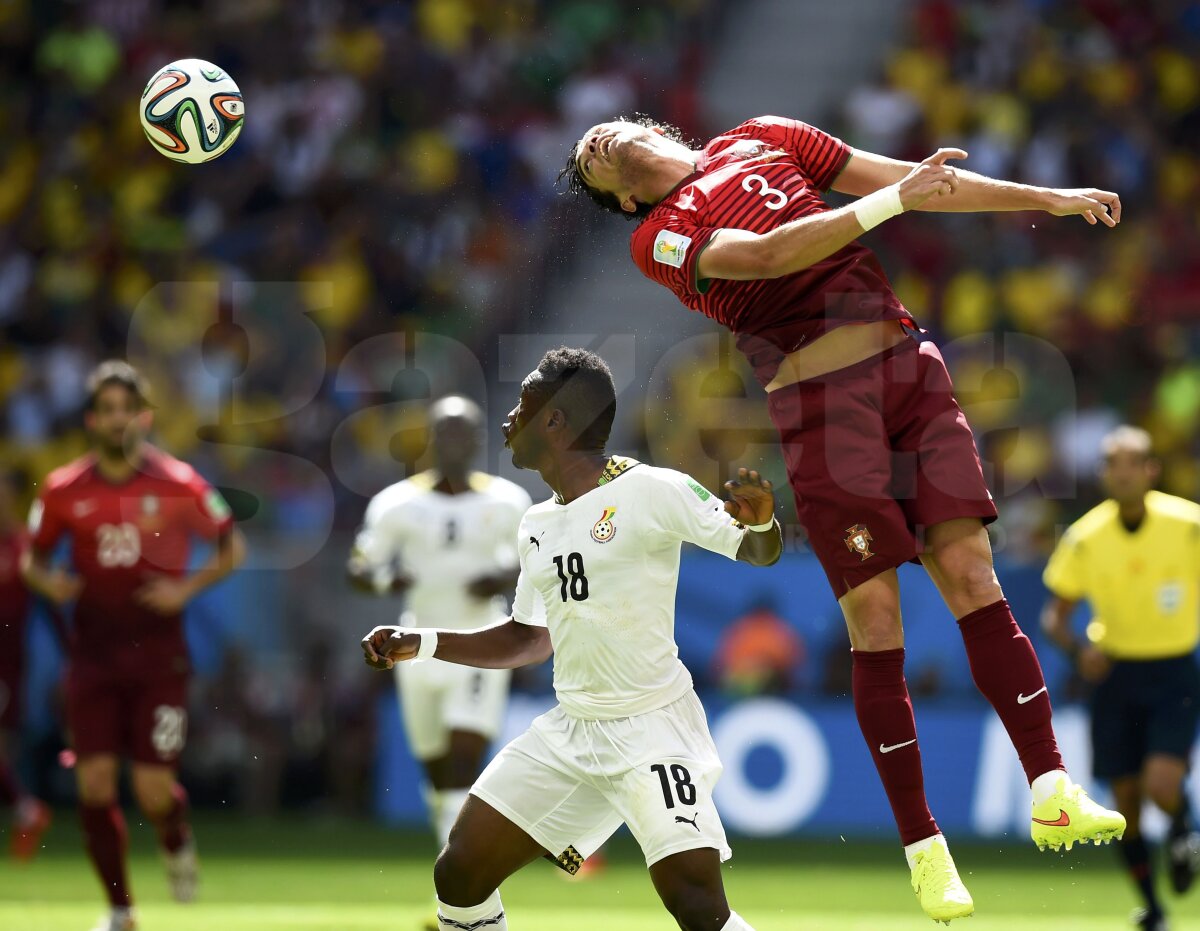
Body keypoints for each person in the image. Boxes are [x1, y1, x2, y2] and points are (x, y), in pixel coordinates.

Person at [561, 114, 1125, 921]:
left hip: (909, 368)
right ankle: (925, 849)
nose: (597, 142)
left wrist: (1049, 196)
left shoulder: (765, 133)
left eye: (602, 132)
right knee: (875, 617)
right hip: (821, 404)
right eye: (588, 161)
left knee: (972, 572)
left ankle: (1051, 787)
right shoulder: (657, 236)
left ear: (644, 126)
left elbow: (924, 181)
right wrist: (895, 199)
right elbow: (764, 256)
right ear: (616, 198)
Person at [361, 347, 782, 931]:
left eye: (523, 404)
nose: (509, 418)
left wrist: (761, 522)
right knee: (458, 873)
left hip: (651, 729)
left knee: (696, 903)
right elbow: (528, 638)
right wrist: (423, 641)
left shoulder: (652, 489)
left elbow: (755, 550)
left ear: (555, 422)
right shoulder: (536, 523)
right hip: (572, 730)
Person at [20, 361, 246, 931]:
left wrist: (186, 587)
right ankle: (121, 910)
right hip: (92, 656)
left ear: (143, 417)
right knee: (93, 782)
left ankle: (175, 837)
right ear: (93, 419)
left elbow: (231, 546)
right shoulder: (63, 487)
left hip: (159, 658)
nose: (118, 421)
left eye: (128, 410)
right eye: (107, 411)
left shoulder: (179, 483)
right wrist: (51, 583)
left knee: (150, 790)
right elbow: (32, 558)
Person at [347, 397, 531, 863]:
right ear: (430, 439)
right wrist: (389, 579)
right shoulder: (397, 504)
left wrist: (503, 578)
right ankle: (451, 860)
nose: (454, 442)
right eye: (445, 432)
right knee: (436, 771)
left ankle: (455, 886)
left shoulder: (508, 501)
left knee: (464, 760)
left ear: (478, 439)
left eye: (463, 432)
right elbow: (358, 568)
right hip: (415, 647)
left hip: (480, 642)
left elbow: (536, 564)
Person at [1042, 426, 1200, 931]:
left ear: (1152, 470)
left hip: (1173, 669)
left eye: (1133, 463)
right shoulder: (1086, 537)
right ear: (1104, 473)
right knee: (1125, 802)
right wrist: (1077, 650)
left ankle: (1181, 825)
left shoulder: (1188, 524)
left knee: (1160, 784)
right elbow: (1055, 616)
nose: (1124, 472)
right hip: (1114, 674)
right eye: (1114, 464)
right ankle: (1152, 909)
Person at [0, 467, 53, 860]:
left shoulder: (25, 547)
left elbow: (52, 608)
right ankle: (25, 809)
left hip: (8, 665)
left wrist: (74, 658)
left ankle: (24, 808)